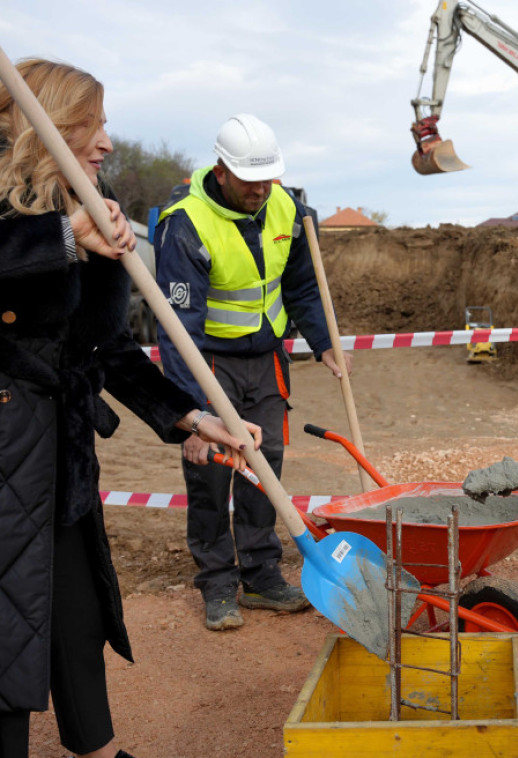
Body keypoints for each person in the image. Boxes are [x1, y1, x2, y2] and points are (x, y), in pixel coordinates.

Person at [0, 58, 260, 758]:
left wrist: (187, 415)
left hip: (60, 457)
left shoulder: (85, 195)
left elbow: (103, 347)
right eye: (94, 122)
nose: (108, 141)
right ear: (47, 122)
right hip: (5, 454)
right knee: (4, 637)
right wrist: (59, 242)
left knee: (76, 617)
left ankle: (95, 747)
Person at [155, 113, 348, 631]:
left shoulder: (288, 207)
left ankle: (262, 575)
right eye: (249, 179)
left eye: (269, 178)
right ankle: (218, 583)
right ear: (221, 171)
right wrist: (191, 413)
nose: (261, 189)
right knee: (214, 471)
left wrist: (324, 343)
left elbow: (304, 286)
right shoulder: (185, 223)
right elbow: (178, 329)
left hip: (267, 362)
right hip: (208, 360)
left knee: (266, 469)